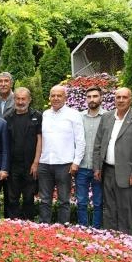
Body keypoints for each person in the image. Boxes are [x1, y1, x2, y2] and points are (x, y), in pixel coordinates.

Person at [94, 87, 132, 235]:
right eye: (118, 97)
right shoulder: (107, 117)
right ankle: (111, 239)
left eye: (124, 97)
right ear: (114, 99)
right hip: (107, 170)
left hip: (127, 172)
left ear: (131, 99)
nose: (121, 100)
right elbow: (98, 144)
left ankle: (126, 241)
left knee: (126, 209)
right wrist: (97, 168)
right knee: (109, 208)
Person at [38, 85, 85, 224]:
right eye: (53, 95)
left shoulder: (73, 114)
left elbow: (80, 140)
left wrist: (76, 162)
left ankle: (62, 227)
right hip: (45, 163)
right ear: (49, 97)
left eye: (59, 95)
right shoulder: (45, 114)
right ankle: (44, 226)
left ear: (65, 97)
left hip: (64, 164)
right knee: (45, 199)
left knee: (64, 200)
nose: (56, 98)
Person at [3, 87, 42, 219]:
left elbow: (39, 139)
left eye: (23, 99)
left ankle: (28, 224)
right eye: (18, 99)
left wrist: (36, 162)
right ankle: (12, 224)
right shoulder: (7, 117)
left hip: (30, 165)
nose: (20, 102)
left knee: (28, 197)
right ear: (14, 100)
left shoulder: (37, 116)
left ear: (29, 100)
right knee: (12, 198)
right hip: (13, 165)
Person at [76, 87, 105, 228]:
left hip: (98, 167)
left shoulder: (108, 117)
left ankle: (97, 229)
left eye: (95, 96)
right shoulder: (79, 117)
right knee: (81, 201)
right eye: (89, 96)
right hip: (81, 166)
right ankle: (83, 228)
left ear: (101, 98)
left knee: (98, 202)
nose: (92, 99)